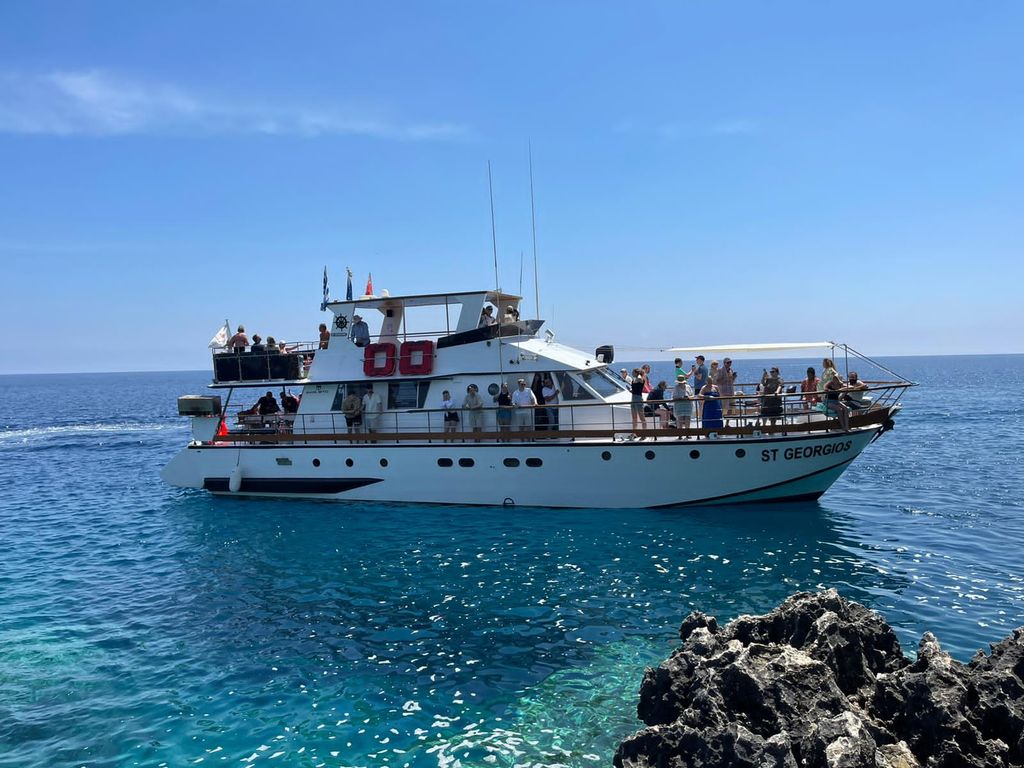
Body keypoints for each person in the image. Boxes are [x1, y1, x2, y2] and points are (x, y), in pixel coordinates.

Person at [630, 367, 647, 437]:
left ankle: (644, 434)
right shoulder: (634, 379)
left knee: (642, 417)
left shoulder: (640, 378)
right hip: (633, 398)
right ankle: (634, 433)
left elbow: (640, 380)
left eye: (633, 372)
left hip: (638, 398)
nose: (632, 373)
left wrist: (639, 376)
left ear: (636, 373)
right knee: (634, 418)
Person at [691, 355, 708, 420]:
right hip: (702, 386)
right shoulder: (705, 367)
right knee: (702, 403)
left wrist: (694, 371)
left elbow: (699, 377)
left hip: (699, 387)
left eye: (697, 359)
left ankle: (701, 417)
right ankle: (701, 416)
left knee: (700, 403)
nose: (696, 360)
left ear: (701, 360)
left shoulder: (701, 368)